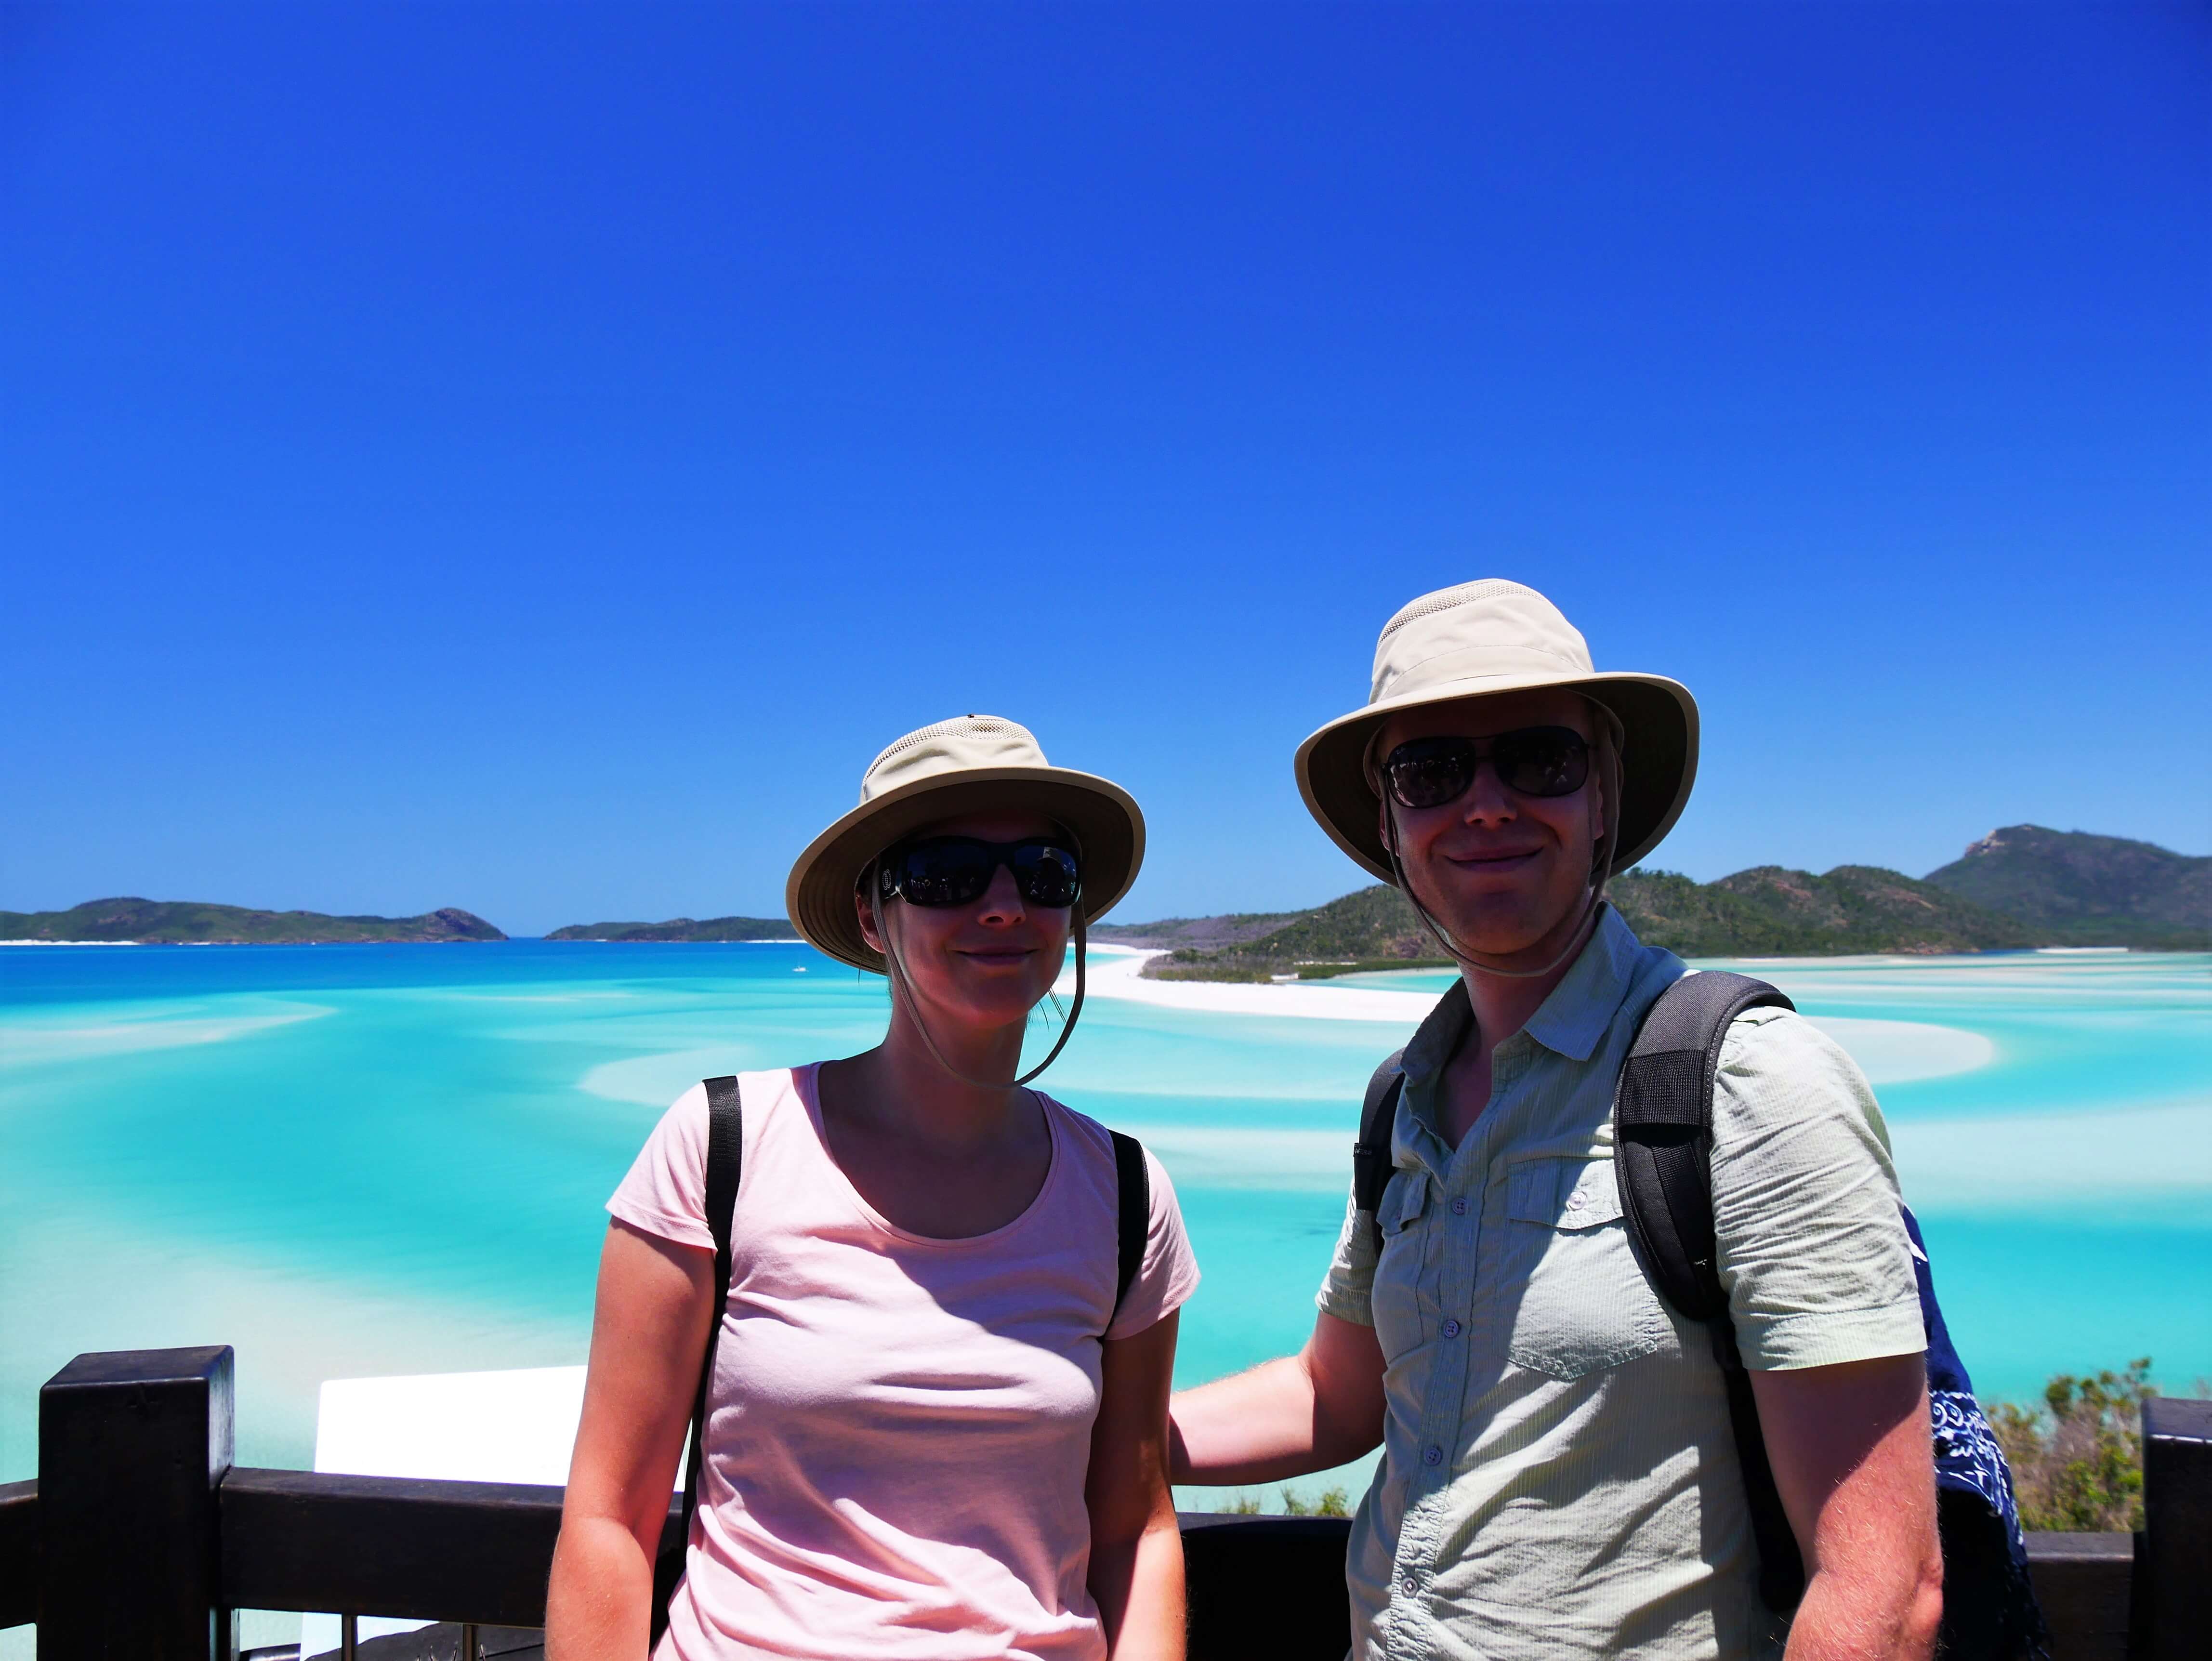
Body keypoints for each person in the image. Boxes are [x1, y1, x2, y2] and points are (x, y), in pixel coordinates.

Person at [1169, 581, 1944, 1661]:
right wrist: (1095, 1433)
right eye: (1431, 771)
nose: (1484, 804)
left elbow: (1882, 1587)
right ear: (1391, 822)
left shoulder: (1751, 1086)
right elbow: (1332, 1394)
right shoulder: (1404, 1097)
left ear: (1603, 791)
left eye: (1537, 757)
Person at [548, 715, 1198, 1661]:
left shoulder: (1127, 1193)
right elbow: (610, 1517)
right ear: (870, 913)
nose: (1005, 904)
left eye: (1043, 871)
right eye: (947, 873)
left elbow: (1137, 1526)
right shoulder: (722, 1146)